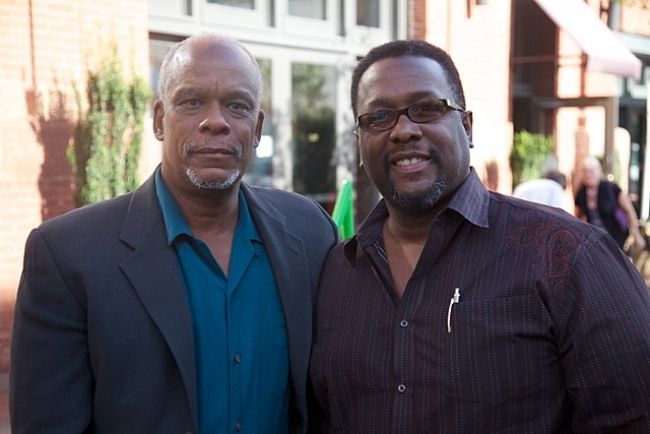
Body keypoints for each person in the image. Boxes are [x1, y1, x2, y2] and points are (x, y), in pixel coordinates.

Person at [308, 40, 650, 433]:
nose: (403, 131)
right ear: (361, 141)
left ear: (467, 127)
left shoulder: (569, 255)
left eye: (426, 109)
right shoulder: (336, 271)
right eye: (379, 116)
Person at [11, 33, 338, 434]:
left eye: (236, 105)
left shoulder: (310, 231)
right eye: (192, 101)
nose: (215, 121)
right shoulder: (67, 254)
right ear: (159, 120)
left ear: (256, 128)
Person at [575, 155, 645, 251]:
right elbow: (578, 217)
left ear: (599, 172)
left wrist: (637, 235)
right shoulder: (581, 192)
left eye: (591, 171)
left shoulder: (611, 188)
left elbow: (630, 211)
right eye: (585, 171)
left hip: (616, 237)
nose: (588, 175)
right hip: (596, 239)